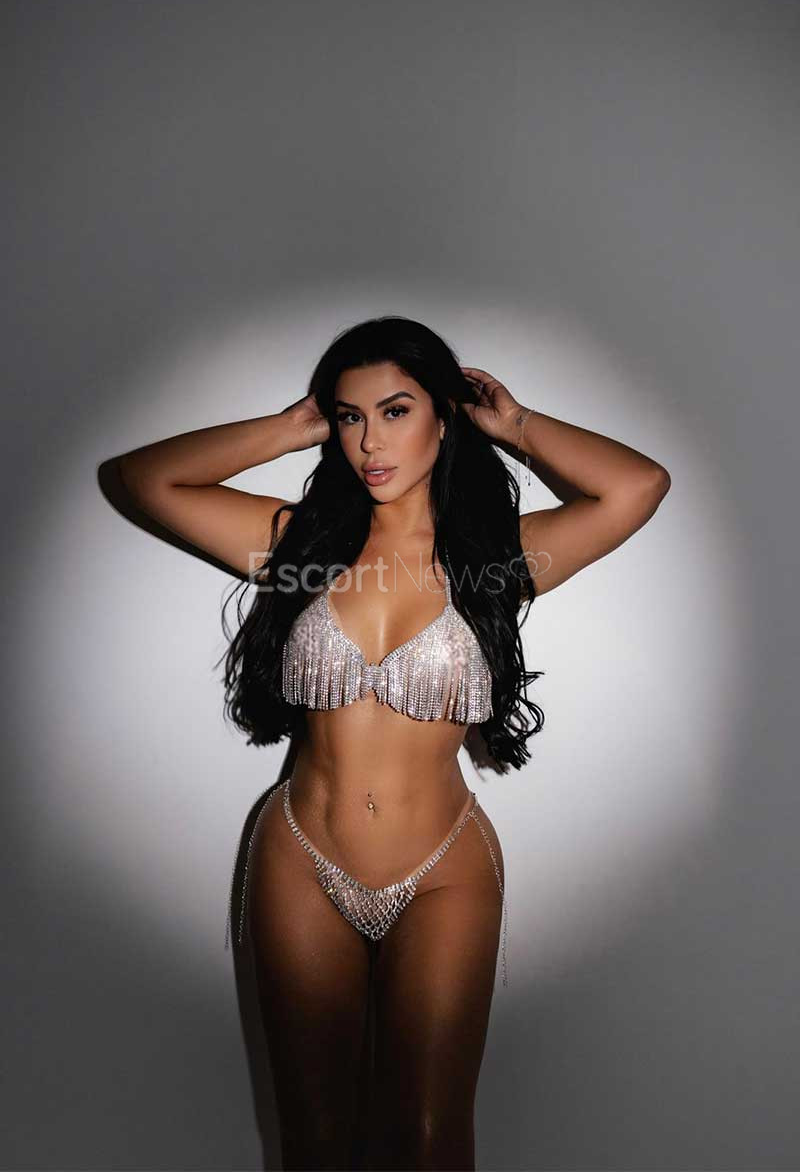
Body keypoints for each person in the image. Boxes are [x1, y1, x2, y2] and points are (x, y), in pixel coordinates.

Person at [119, 315, 670, 1170]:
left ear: (443, 417)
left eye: (396, 411)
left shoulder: (494, 562)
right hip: (302, 859)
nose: (369, 441)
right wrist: (287, 428)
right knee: (314, 1142)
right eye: (351, 417)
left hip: (443, 871)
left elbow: (637, 487)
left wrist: (517, 425)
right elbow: (145, 479)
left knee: (432, 1138)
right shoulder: (299, 547)